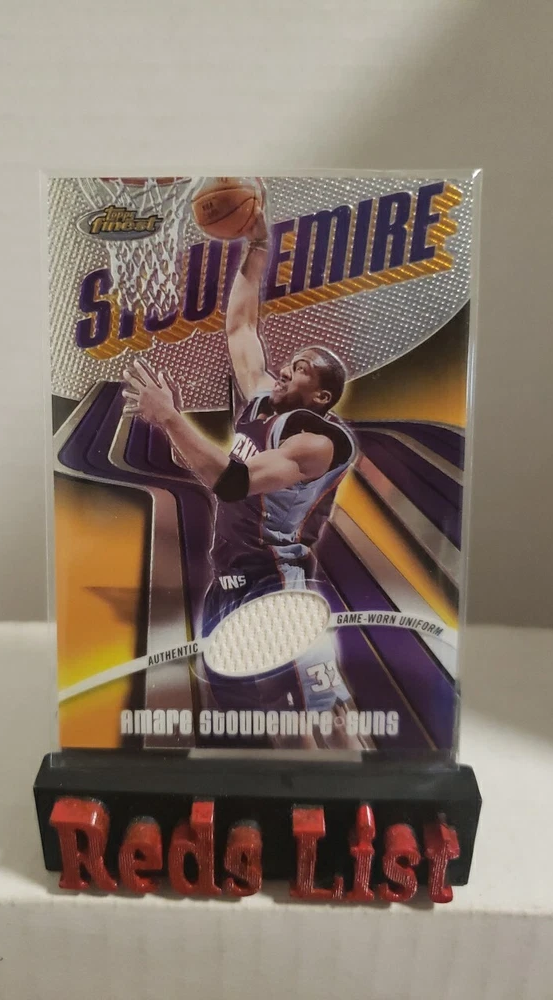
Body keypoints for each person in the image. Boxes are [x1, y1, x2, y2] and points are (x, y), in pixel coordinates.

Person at [122, 204, 369, 749]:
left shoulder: (317, 441)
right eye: (291, 361)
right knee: (284, 718)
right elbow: (240, 324)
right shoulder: (261, 401)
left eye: (301, 369)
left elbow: (233, 482)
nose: (285, 368)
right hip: (230, 580)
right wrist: (255, 248)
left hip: (274, 581)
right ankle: (314, 790)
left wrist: (170, 418)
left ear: (320, 397)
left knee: (315, 721)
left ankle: (360, 791)